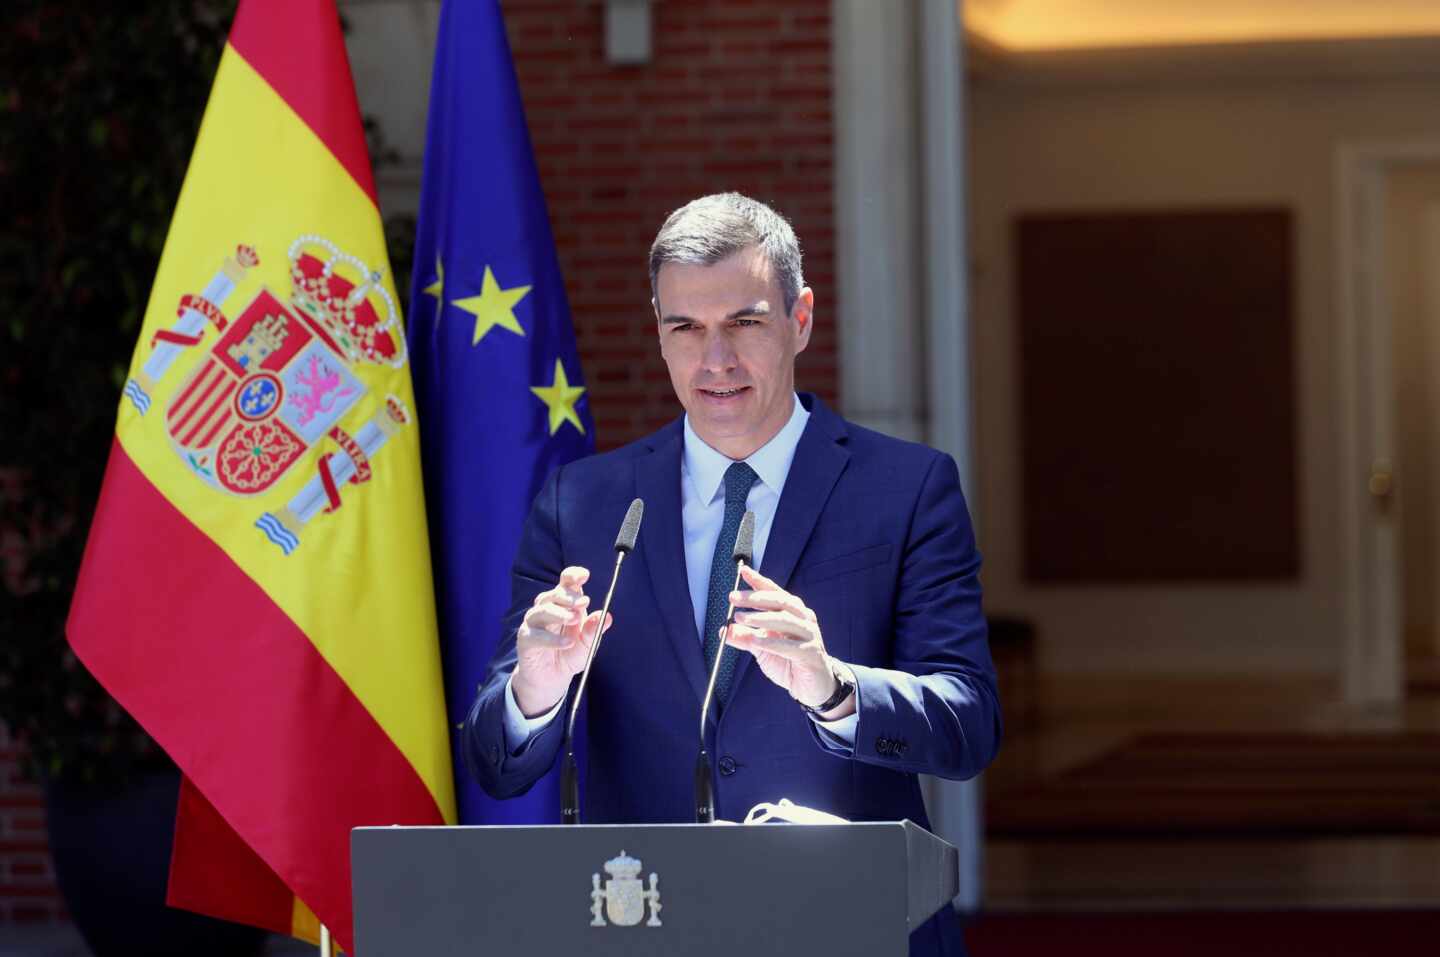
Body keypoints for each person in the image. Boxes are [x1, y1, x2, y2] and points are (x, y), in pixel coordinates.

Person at [463, 192, 1000, 957]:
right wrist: (534, 690)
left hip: (851, 924)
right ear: (659, 333)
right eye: (686, 328)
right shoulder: (582, 503)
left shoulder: (907, 489)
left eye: (744, 322)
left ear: (800, 319)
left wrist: (835, 687)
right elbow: (496, 761)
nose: (715, 359)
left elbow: (969, 723)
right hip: (645, 924)